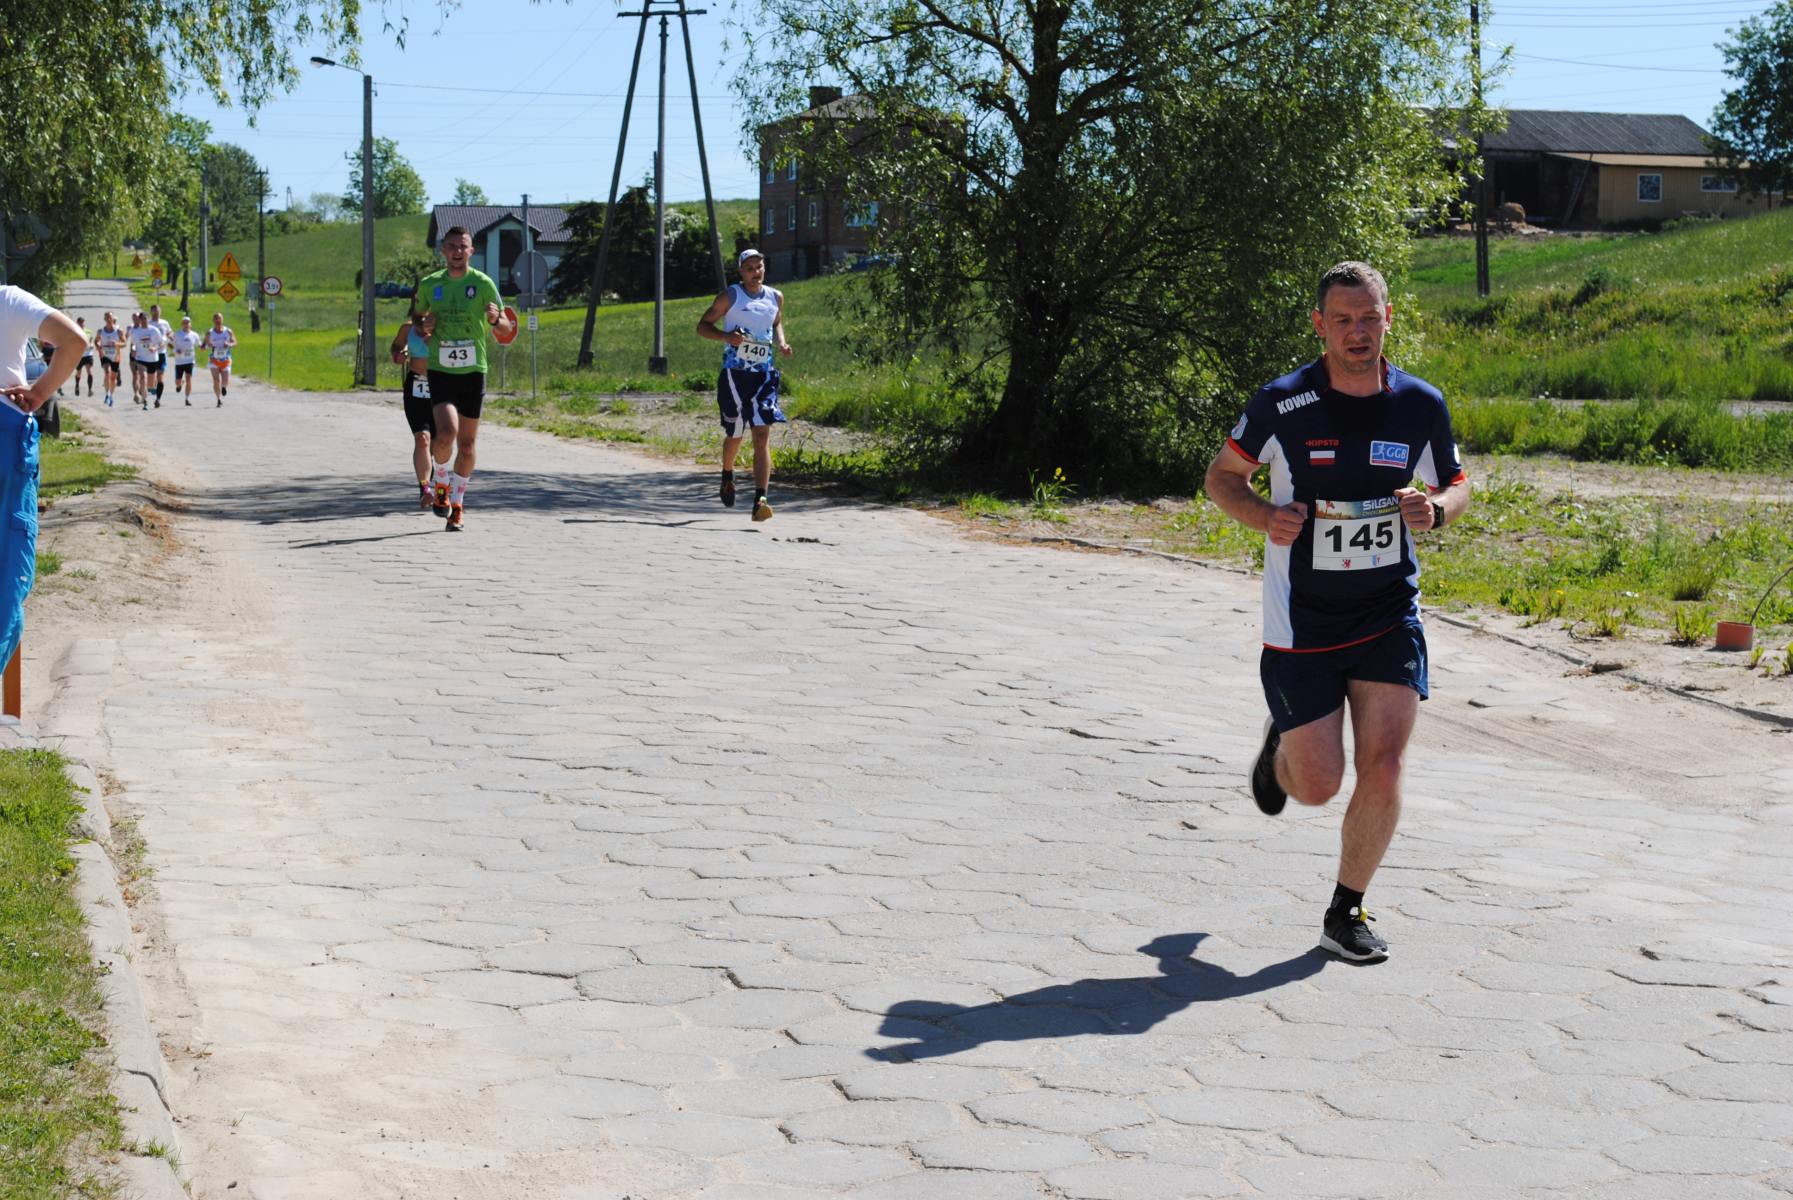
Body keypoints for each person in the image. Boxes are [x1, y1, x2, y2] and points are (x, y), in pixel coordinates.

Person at [1203, 260, 1471, 964]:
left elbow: (1456, 482)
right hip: (1303, 622)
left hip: (1388, 612)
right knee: (1318, 785)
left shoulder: (1420, 403)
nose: (1357, 332)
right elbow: (1222, 478)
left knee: (1384, 765)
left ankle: (1345, 911)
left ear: (1388, 318)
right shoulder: (1282, 402)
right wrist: (1264, 516)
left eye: (1369, 317)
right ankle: (1283, 753)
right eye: (1343, 320)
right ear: (1320, 325)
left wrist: (1436, 509)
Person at [0, 285, 83, 674]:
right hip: (5, 434)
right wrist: (38, 393)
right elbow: (74, 342)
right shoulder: (7, 299)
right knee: (7, 564)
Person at [410, 225, 513, 532]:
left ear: (471, 251)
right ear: (443, 250)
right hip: (441, 369)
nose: (457, 251)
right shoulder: (430, 284)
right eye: (452, 246)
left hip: (473, 371)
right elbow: (417, 319)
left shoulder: (482, 283)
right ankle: (441, 484)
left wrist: (495, 319)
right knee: (446, 433)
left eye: (462, 246)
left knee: (466, 446)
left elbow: (506, 326)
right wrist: (424, 325)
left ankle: (456, 505)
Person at [696, 248, 792, 521]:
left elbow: (776, 321)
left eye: (759, 267)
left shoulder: (775, 296)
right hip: (735, 375)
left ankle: (760, 500)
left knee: (761, 435)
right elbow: (702, 326)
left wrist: (782, 342)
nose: (755, 272)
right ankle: (727, 474)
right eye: (749, 268)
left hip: (764, 375)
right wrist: (726, 337)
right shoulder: (730, 296)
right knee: (736, 433)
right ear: (741, 271)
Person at [390, 315, 452, 511]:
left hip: (441, 384)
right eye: (418, 301)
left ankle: (441, 485)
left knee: (439, 444)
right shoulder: (407, 328)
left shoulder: (447, 325)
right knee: (422, 439)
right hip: (416, 386)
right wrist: (398, 355)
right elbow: (396, 347)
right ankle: (425, 488)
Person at [128, 312, 163, 408]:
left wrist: (155, 348)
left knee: (150, 384)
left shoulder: (154, 330)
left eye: (145, 319)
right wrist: (133, 350)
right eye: (142, 319)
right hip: (140, 358)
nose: (144, 320)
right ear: (139, 320)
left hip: (152, 359)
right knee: (143, 378)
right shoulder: (136, 332)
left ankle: (145, 391)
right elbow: (133, 344)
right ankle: (145, 401)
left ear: (148, 319)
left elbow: (161, 343)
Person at [94, 312, 125, 406]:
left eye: (110, 317)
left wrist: (117, 344)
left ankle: (111, 395)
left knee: (113, 378)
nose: (108, 319)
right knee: (107, 373)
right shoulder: (100, 331)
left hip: (115, 356)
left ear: (113, 319)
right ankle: (107, 394)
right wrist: (98, 346)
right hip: (105, 355)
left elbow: (124, 343)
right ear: (104, 319)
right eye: (107, 317)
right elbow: (96, 341)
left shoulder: (118, 331)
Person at [170, 316, 202, 405]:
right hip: (179, 361)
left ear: (190, 324)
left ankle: (187, 399)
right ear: (182, 324)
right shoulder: (177, 334)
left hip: (190, 360)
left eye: (187, 322)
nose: (186, 324)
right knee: (177, 381)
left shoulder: (194, 335)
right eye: (184, 322)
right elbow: (169, 344)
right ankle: (180, 384)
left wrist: (203, 346)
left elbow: (199, 344)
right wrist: (175, 350)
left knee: (189, 379)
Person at [205, 312, 235, 406]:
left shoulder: (228, 331)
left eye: (219, 318)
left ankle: (223, 387)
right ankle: (218, 399)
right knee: (216, 380)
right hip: (214, 360)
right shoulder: (210, 332)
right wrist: (208, 344)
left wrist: (229, 344)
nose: (218, 320)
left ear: (222, 320)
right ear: (213, 321)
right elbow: (204, 344)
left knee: (225, 379)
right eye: (216, 319)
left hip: (226, 359)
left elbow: (234, 342)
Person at [149, 303, 174, 407]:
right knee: (152, 376)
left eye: (158, 311)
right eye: (154, 311)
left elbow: (169, 332)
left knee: (160, 376)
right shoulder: (149, 323)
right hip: (150, 353)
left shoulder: (164, 323)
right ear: (151, 312)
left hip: (161, 353)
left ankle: (158, 399)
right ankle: (151, 387)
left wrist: (171, 337)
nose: (157, 313)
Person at [72, 316, 95, 396]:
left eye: (83, 322)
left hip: (88, 354)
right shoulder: (75, 332)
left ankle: (90, 389)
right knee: (79, 372)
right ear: (77, 323)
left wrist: (91, 345)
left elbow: (91, 341)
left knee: (89, 370)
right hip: (79, 355)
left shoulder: (88, 331)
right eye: (80, 322)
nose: (82, 324)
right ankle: (77, 386)